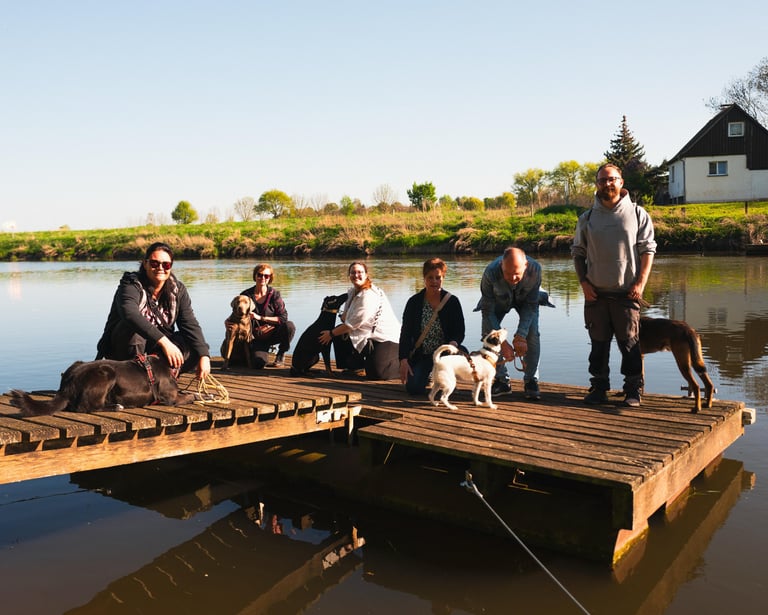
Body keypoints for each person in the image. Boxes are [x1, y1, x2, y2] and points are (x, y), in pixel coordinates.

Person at [572, 163, 657, 407]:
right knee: (598, 347)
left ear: (621, 182)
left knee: (630, 345)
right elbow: (577, 252)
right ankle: (599, 388)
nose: (607, 184)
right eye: (602, 180)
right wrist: (583, 283)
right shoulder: (586, 218)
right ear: (596, 184)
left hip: (626, 294)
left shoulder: (639, 214)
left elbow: (648, 250)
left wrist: (641, 283)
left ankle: (633, 390)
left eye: (612, 179)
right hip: (596, 295)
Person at [96, 242, 211, 379]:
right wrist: (164, 342)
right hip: (124, 349)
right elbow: (130, 314)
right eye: (154, 263)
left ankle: (161, 376)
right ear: (145, 264)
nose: (160, 268)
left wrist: (204, 355)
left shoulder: (178, 289)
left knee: (194, 344)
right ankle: (136, 379)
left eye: (166, 265)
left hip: (155, 350)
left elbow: (189, 324)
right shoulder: (130, 285)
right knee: (134, 330)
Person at [474, 246, 542, 400]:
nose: (512, 279)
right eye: (508, 274)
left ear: (526, 266)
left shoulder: (535, 270)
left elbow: (531, 306)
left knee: (532, 334)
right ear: (501, 266)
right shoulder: (490, 273)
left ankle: (531, 380)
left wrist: (520, 337)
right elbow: (488, 312)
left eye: (517, 274)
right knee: (488, 334)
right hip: (497, 302)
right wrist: (502, 342)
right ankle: (502, 380)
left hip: (526, 302)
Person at [318, 261, 400, 380]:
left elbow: (352, 324)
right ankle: (354, 367)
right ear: (349, 275)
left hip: (386, 338)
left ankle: (407, 364)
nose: (356, 275)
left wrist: (330, 334)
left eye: (360, 272)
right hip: (367, 334)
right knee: (339, 332)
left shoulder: (369, 295)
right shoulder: (352, 292)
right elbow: (345, 318)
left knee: (377, 374)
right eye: (353, 272)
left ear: (366, 274)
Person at [398, 258, 466, 395]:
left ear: (443, 278)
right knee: (414, 389)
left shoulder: (452, 301)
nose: (434, 281)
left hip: (445, 354)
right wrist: (403, 360)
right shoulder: (414, 302)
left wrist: (454, 342)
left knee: (464, 355)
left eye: (438, 277)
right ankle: (430, 375)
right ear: (424, 278)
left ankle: (448, 376)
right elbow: (405, 333)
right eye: (430, 277)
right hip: (423, 354)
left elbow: (460, 330)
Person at [239, 263, 296, 369]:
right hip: (256, 337)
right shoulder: (246, 295)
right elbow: (237, 314)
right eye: (260, 275)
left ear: (270, 278)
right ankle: (257, 352)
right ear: (255, 276)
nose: (262, 278)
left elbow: (283, 318)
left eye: (266, 276)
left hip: (273, 333)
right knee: (258, 364)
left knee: (289, 326)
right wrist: (228, 321)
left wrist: (260, 318)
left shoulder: (274, 295)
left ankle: (281, 354)